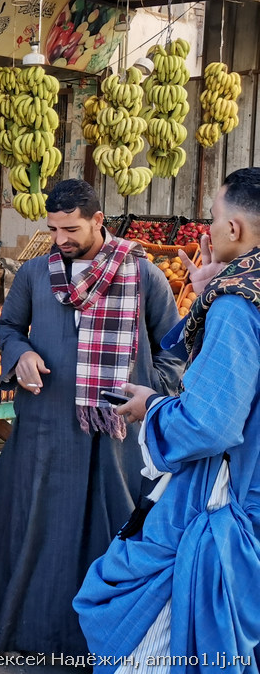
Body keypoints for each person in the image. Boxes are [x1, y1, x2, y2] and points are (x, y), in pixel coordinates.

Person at [0, 179, 182, 655]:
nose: (61, 239)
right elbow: (9, 327)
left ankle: (107, 640)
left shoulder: (143, 274)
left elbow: (174, 352)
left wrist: (144, 391)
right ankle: (23, 628)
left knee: (114, 532)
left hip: (116, 434)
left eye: (71, 228)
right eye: (53, 228)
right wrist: (21, 357)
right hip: (45, 425)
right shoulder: (36, 273)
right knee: (33, 528)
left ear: (99, 221)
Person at [75, 168, 260, 673]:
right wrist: (208, 292)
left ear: (235, 229)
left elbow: (210, 423)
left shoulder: (239, 305)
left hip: (227, 501)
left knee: (154, 640)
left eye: (214, 218)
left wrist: (150, 409)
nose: (209, 229)